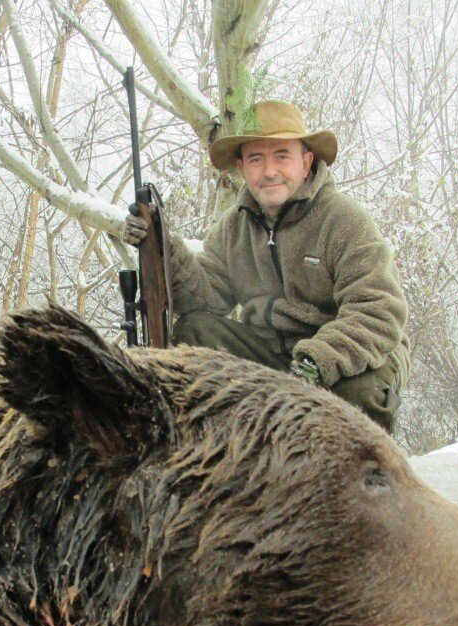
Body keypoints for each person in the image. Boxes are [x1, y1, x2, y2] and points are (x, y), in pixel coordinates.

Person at [124, 100, 409, 432]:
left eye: (281, 156)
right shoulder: (233, 227)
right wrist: (162, 247)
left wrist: (318, 361)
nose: (269, 171)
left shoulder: (345, 220)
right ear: (242, 167)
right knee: (192, 330)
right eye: (257, 159)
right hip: (272, 350)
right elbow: (205, 299)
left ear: (306, 162)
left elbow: (378, 310)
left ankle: (358, 478)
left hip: (348, 354)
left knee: (359, 394)